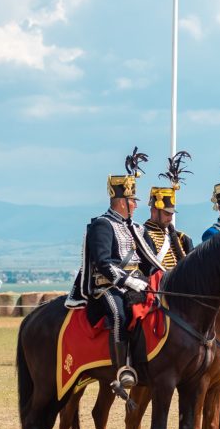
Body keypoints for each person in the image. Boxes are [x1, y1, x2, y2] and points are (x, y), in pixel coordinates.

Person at [64, 147, 163, 395]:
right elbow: (102, 263)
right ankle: (122, 371)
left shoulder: (138, 228)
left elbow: (149, 260)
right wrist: (129, 281)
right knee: (119, 313)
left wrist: (154, 278)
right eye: (133, 201)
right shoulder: (102, 225)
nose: (136, 206)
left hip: (137, 283)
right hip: (105, 286)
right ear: (122, 202)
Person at [142, 151, 194, 271]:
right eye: (166, 213)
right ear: (154, 210)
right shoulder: (143, 235)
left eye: (171, 214)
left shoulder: (180, 238)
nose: (170, 218)